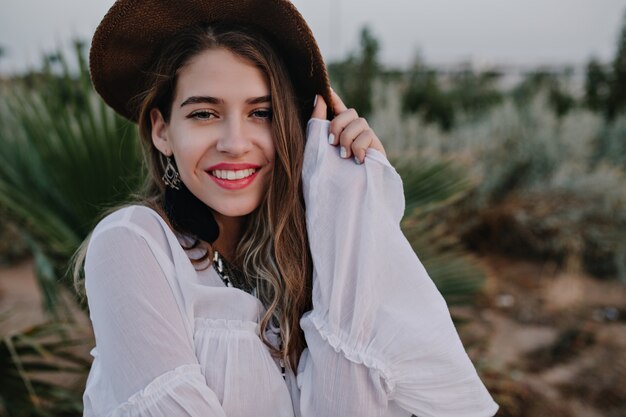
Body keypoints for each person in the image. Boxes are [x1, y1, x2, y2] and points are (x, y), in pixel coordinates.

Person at [76, 0, 499, 416]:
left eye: (261, 113)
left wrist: (352, 193)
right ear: (162, 131)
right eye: (204, 113)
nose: (235, 143)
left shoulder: (303, 269)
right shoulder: (133, 243)